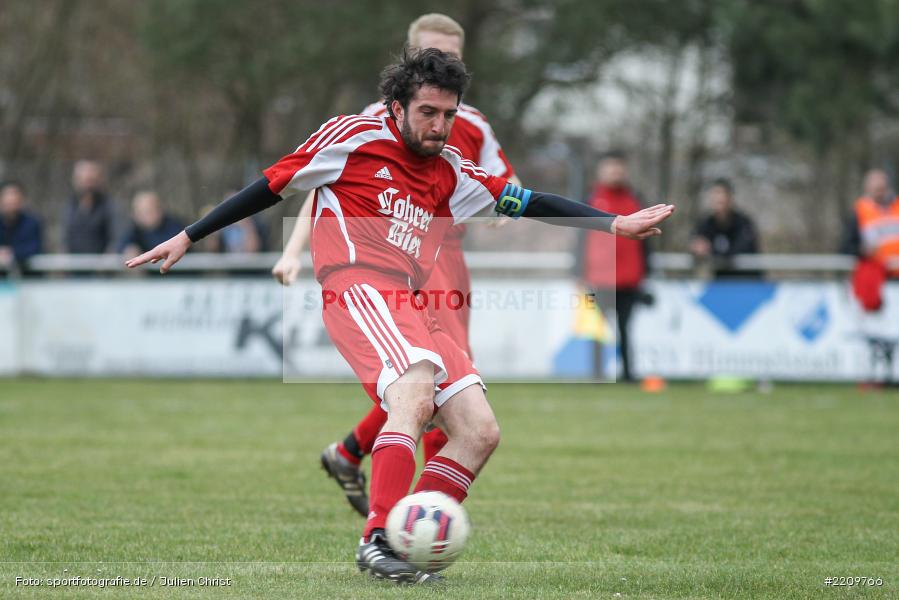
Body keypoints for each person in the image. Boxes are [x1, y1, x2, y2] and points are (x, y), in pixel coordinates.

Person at [126, 48, 674, 584]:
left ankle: (411, 540)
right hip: (355, 283)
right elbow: (271, 186)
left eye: (449, 115)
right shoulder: (352, 137)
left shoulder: (453, 173)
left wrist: (612, 224)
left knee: (479, 431)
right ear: (396, 108)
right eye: (428, 113)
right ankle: (379, 540)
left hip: (415, 301)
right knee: (413, 392)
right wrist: (189, 235)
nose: (440, 126)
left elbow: (527, 201)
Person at [273, 12, 520, 520]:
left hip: (442, 259)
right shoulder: (375, 119)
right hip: (382, 259)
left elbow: (504, 185)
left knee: (447, 384)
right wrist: (293, 248)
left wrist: (501, 213)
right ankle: (395, 523)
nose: (444, 63)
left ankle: (354, 459)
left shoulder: (469, 124)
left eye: (453, 57)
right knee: (419, 381)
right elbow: (321, 183)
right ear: (410, 55)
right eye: (434, 53)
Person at [578, 153, 650, 382]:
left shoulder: (635, 199)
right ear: (601, 171)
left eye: (618, 168)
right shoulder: (591, 199)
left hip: (629, 277)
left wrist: (646, 271)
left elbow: (646, 238)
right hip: (598, 277)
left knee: (626, 328)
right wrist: (579, 271)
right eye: (610, 168)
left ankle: (628, 374)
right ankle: (597, 373)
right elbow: (580, 239)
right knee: (597, 329)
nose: (615, 172)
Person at [689, 178, 759, 278]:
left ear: (730, 197)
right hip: (721, 281)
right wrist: (696, 246)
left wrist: (711, 249)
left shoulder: (743, 222)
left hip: (747, 281)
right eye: (715, 194)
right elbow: (697, 240)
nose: (719, 198)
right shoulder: (706, 222)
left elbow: (741, 249)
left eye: (722, 194)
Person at [63, 160, 118, 254]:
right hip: (73, 265)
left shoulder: (110, 207)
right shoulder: (70, 207)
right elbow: (65, 239)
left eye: (91, 180)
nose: (87, 186)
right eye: (83, 180)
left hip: (101, 266)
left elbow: (117, 237)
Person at [118, 190, 184, 258]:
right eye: (139, 213)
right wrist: (129, 249)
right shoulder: (135, 228)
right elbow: (121, 246)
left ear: (159, 210)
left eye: (148, 211)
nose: (143, 216)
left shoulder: (174, 226)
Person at [0, 181, 42, 275]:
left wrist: (12, 254)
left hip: (28, 278)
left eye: (14, 200)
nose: (11, 203)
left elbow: (35, 247)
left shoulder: (32, 223)